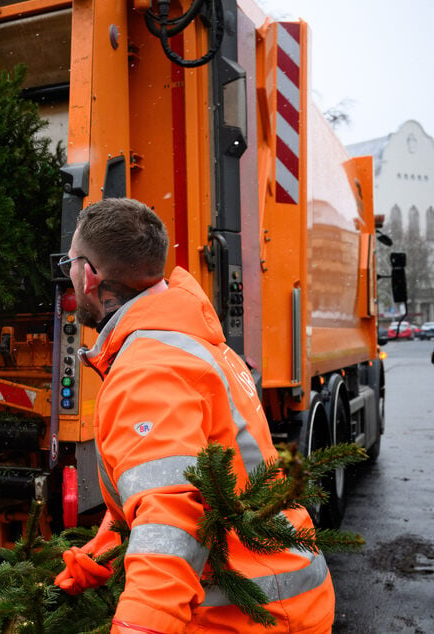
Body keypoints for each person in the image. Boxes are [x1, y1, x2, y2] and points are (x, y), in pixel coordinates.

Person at [53, 198, 334, 633]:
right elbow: (168, 481)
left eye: (69, 262)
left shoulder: (147, 369)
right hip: (285, 592)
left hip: (244, 614)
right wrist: (103, 552)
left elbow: (171, 519)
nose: (67, 274)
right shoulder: (197, 345)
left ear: (89, 276)